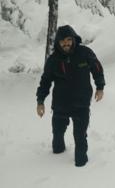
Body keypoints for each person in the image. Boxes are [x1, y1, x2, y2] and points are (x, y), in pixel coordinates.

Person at [36, 25, 105, 167]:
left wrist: (100, 87)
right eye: (62, 41)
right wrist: (40, 100)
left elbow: (97, 68)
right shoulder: (53, 60)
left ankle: (81, 167)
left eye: (68, 40)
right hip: (61, 104)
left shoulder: (84, 53)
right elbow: (45, 81)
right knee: (57, 134)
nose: (66, 43)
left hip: (81, 103)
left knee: (80, 136)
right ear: (58, 42)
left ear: (73, 39)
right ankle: (57, 155)